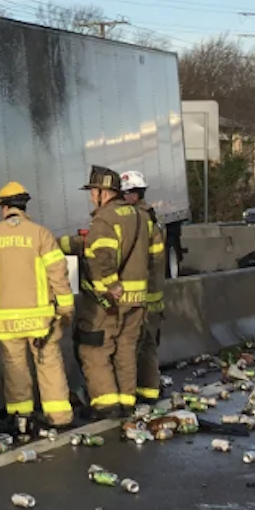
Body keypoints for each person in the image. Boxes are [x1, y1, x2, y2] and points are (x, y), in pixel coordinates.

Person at [0, 181, 75, 429]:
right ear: (24, 206)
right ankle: (59, 417)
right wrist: (66, 307)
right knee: (49, 365)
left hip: (7, 320)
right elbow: (58, 273)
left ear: (4, 208)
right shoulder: (40, 234)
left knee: (15, 368)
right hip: (42, 319)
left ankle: (22, 417)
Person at [74, 165, 150, 419]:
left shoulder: (104, 219)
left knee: (95, 348)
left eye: (93, 191)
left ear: (103, 192)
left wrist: (110, 285)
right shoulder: (139, 215)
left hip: (109, 301)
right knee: (127, 348)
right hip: (138, 298)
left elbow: (101, 256)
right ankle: (127, 401)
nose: (91, 196)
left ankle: (106, 403)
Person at [120, 171, 166, 406]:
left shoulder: (137, 220)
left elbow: (148, 260)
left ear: (134, 195)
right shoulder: (150, 217)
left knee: (134, 344)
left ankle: (135, 392)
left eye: (125, 194)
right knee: (148, 345)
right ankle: (149, 390)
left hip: (143, 296)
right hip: (154, 295)